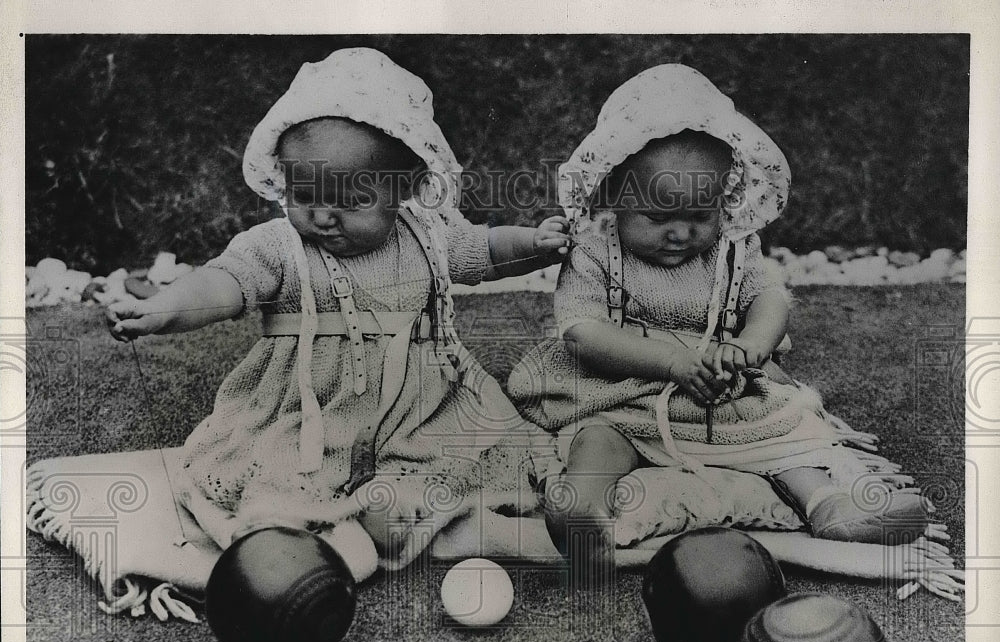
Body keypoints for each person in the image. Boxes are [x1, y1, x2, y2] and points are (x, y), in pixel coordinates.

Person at [105, 48, 569, 573]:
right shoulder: (280, 247)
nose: (323, 216)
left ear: (405, 189)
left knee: (461, 457)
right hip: (312, 415)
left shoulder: (427, 233)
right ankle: (299, 540)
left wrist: (534, 242)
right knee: (276, 486)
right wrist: (164, 311)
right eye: (305, 195)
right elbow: (225, 284)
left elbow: (483, 251)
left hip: (420, 409)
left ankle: (411, 513)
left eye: (350, 203)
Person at [507, 64, 930, 570]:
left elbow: (770, 297)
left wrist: (752, 343)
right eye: (659, 218)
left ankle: (831, 508)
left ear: (723, 202)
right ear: (614, 198)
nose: (681, 234)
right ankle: (581, 510)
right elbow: (583, 333)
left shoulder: (731, 247)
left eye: (699, 216)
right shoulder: (597, 250)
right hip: (623, 387)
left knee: (786, 438)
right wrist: (672, 362)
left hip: (720, 392)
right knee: (598, 441)